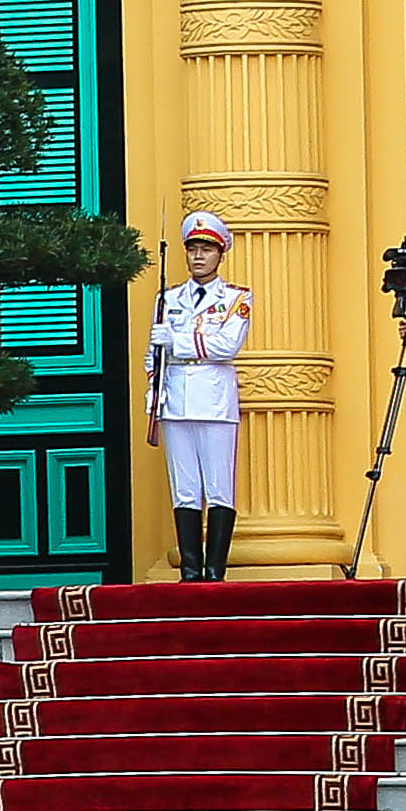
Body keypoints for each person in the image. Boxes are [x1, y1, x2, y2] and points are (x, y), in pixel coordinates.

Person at [141, 211, 253, 585]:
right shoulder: (168, 298)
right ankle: (190, 570)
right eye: (193, 249)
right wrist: (153, 391)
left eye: (206, 249)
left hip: (215, 398)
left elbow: (226, 345)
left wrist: (179, 341)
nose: (198, 257)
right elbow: (152, 354)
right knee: (184, 486)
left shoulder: (237, 298)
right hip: (175, 397)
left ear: (220, 254)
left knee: (218, 485)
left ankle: (215, 570)